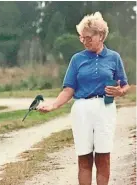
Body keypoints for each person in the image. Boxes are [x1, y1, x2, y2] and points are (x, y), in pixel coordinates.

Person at [37, 12, 130, 185]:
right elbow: (68, 89)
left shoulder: (114, 57)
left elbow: (125, 85)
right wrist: (53, 105)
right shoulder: (77, 59)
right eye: (82, 38)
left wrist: (120, 92)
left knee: (103, 156)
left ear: (100, 35)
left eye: (88, 37)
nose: (85, 41)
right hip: (82, 109)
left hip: (105, 108)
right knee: (84, 157)